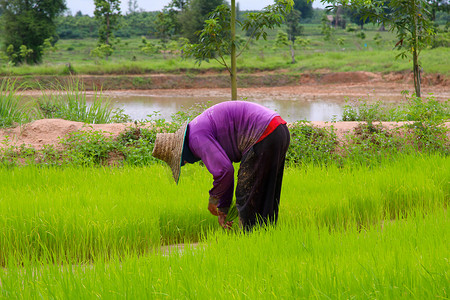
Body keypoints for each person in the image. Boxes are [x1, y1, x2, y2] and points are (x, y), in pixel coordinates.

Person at [152, 101, 290, 231]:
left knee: (246, 196)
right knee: (266, 195)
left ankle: (249, 240)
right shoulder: (198, 127)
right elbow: (226, 171)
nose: (186, 163)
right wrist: (223, 208)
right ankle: (265, 237)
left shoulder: (196, 138)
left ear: (182, 153)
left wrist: (215, 200)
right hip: (279, 130)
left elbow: (224, 171)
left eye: (182, 162)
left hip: (263, 134)